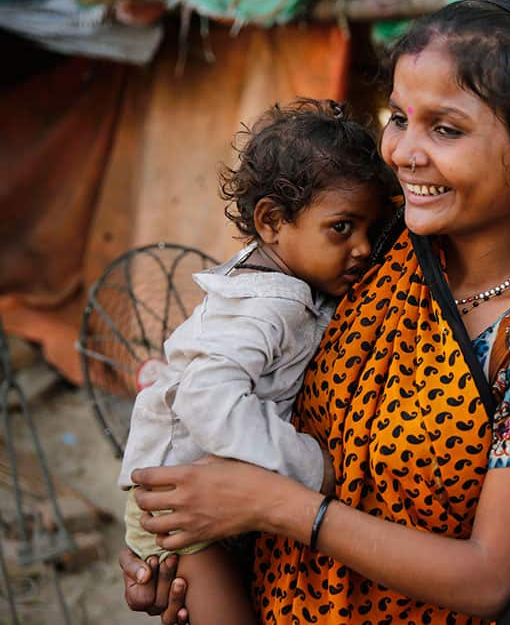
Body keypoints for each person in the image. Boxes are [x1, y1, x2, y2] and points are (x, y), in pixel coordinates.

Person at [119, 0, 510, 623]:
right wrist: (186, 551)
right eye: (399, 118)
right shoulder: (372, 248)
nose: (405, 152)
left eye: (446, 128)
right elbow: (240, 381)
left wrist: (273, 505)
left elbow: (491, 578)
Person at [116, 98, 395, 624]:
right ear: (271, 220)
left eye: (369, 232)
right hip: (178, 506)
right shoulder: (266, 305)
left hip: (205, 496)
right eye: (342, 228)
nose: (362, 249)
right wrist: (308, 465)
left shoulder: (287, 283)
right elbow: (207, 397)